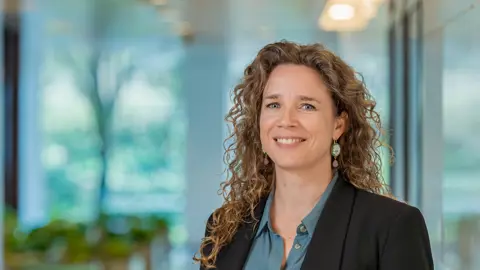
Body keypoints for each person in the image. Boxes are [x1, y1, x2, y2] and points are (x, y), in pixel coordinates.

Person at [194, 41, 434, 270]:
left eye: (307, 106)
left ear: (338, 125)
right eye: (273, 105)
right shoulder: (224, 228)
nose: (286, 121)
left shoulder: (391, 227)